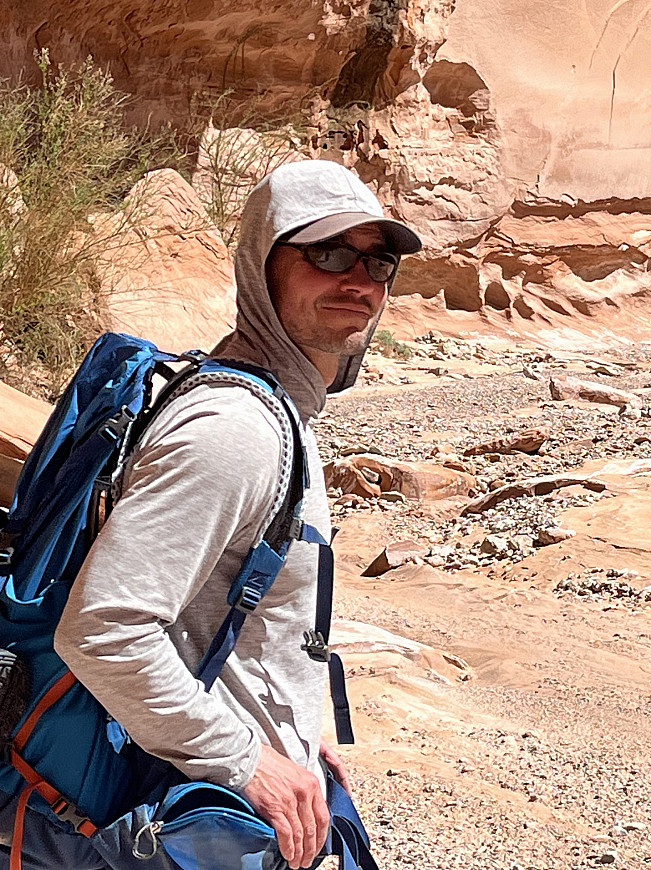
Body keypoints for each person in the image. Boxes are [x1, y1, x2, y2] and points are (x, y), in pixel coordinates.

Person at [0, 160, 422, 869]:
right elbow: (105, 628)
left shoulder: (278, 411)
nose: (359, 281)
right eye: (327, 254)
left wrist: (290, 717)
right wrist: (248, 757)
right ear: (263, 267)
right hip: (185, 821)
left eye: (378, 260)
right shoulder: (235, 428)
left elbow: (227, 611)